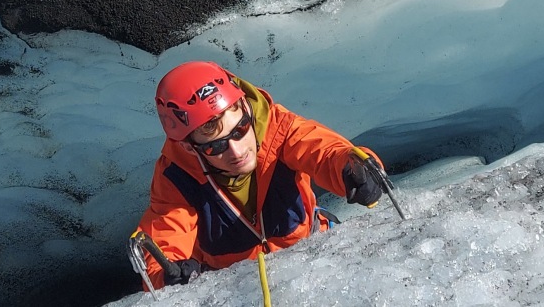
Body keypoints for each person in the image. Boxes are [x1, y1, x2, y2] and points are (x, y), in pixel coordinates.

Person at [132, 60, 386, 289]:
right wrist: (168, 278)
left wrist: (355, 168)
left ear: (245, 107)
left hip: (314, 259)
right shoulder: (177, 177)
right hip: (236, 288)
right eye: (216, 146)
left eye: (240, 128)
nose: (237, 150)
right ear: (189, 147)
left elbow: (325, 151)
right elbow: (163, 243)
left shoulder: (279, 130)